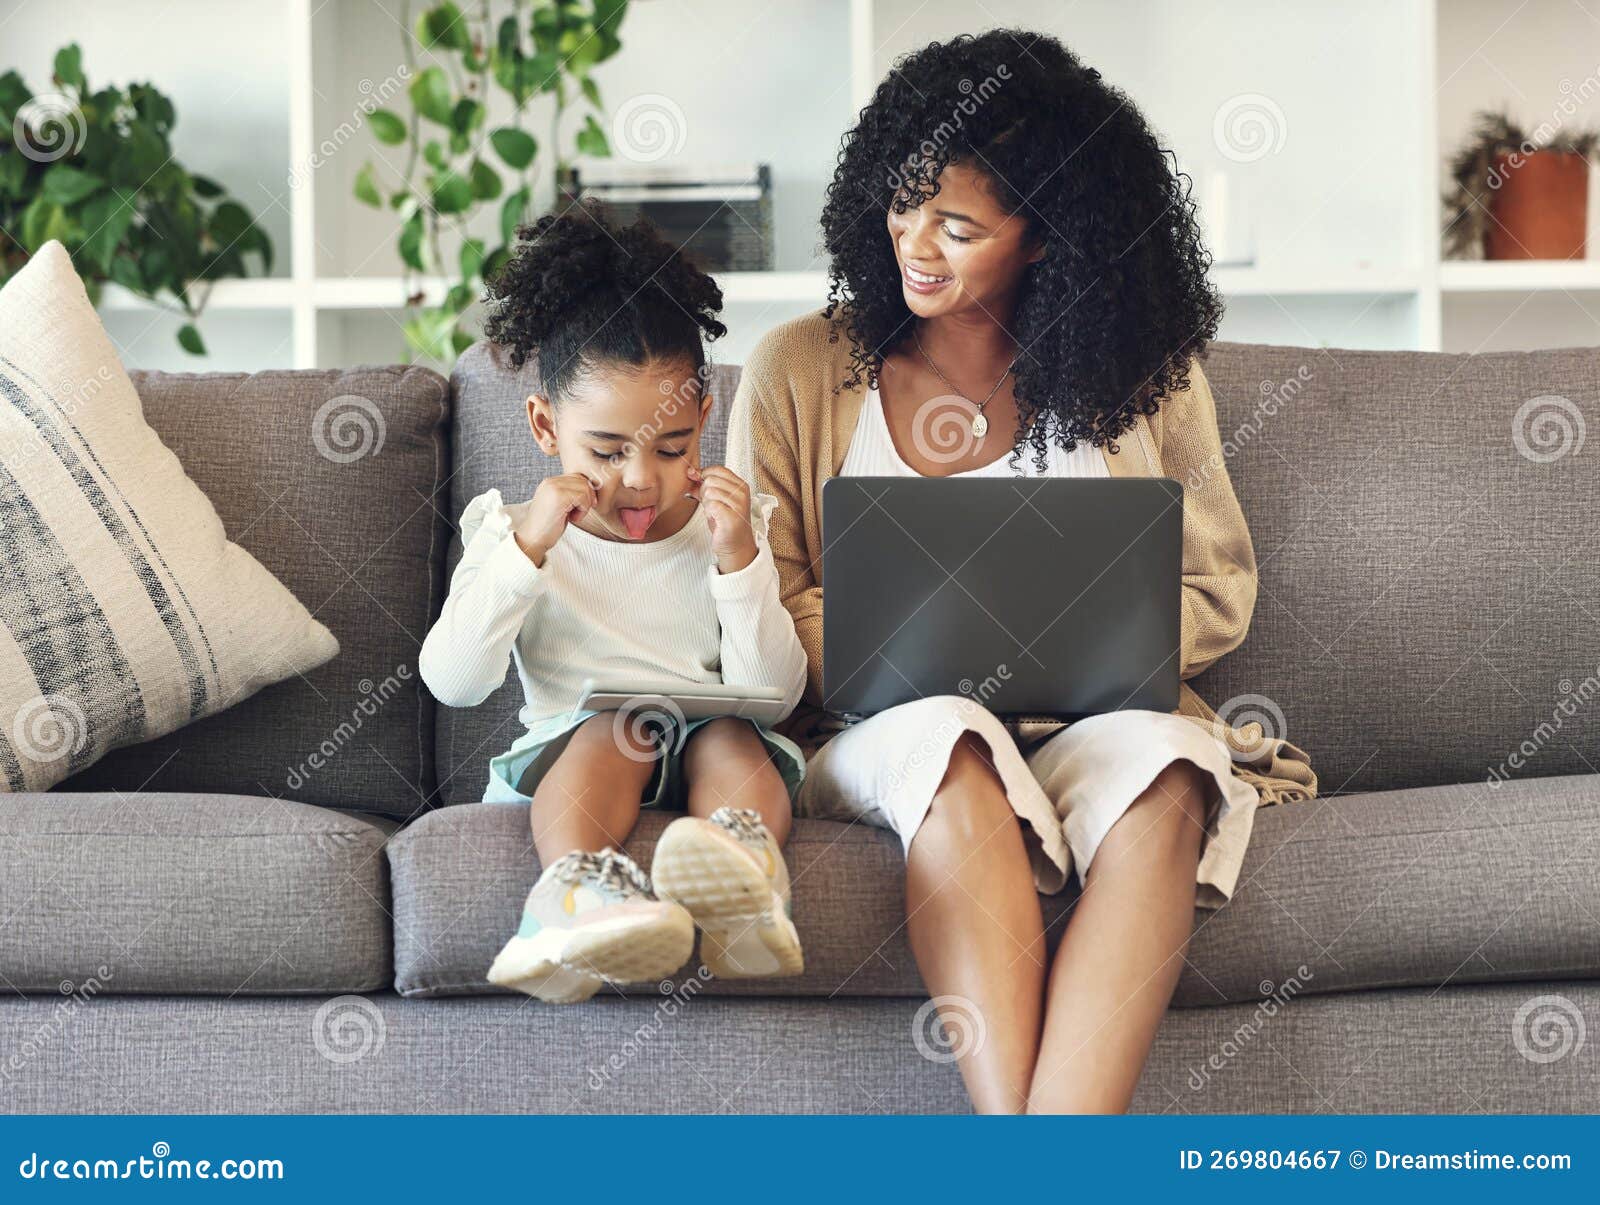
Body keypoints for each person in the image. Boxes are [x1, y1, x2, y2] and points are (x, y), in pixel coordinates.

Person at [729, 30, 1317, 1112]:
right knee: (954, 738)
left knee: (1172, 768)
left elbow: (1217, 583)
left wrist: (1053, 645)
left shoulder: (1142, 371)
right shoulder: (798, 370)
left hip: (1095, 718)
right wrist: (950, 660)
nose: (915, 242)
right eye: (902, 204)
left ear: (1044, 239)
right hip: (880, 728)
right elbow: (757, 596)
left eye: (958, 225)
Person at [420, 205, 808, 1004]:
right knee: (613, 728)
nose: (640, 478)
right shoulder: (514, 535)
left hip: (708, 733)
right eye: (604, 450)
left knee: (733, 735)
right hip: (581, 748)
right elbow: (454, 681)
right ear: (543, 425)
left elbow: (777, 696)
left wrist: (738, 557)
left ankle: (741, 882)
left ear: (704, 418)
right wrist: (527, 550)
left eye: (671, 449)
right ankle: (573, 897)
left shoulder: (731, 525)